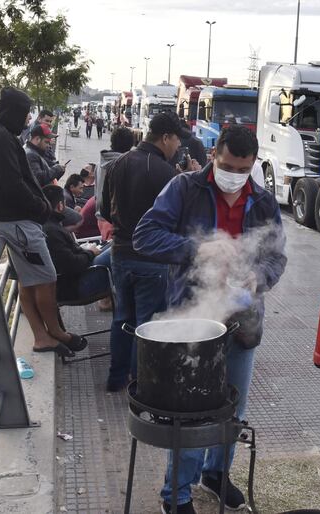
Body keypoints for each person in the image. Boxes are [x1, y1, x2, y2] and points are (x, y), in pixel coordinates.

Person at [133, 125, 286, 514]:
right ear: (214, 155)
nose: (234, 175)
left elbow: (275, 257)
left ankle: (217, 474)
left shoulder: (264, 202)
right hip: (195, 317)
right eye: (228, 165)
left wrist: (259, 278)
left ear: (252, 165)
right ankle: (177, 495)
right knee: (194, 410)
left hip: (243, 318)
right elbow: (145, 236)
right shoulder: (185, 189)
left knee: (233, 407)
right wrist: (198, 248)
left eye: (243, 168)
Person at [0, 87, 86, 358]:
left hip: (14, 221)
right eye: (26, 114)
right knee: (47, 276)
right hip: (17, 223)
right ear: (13, 112)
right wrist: (41, 208)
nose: (28, 120)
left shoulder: (0, 134)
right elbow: (14, 185)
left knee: (28, 281)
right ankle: (54, 332)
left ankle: (41, 335)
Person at [100, 111, 192, 392]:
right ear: (165, 137)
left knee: (121, 318)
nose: (178, 147)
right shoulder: (164, 171)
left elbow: (105, 209)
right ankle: (142, 385)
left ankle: (116, 379)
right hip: (152, 261)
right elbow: (180, 220)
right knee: (148, 325)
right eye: (177, 140)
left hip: (119, 254)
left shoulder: (118, 163)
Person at [41, 185, 110, 301]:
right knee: (120, 250)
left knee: (115, 245)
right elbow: (71, 264)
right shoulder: (52, 231)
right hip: (75, 286)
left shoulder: (48, 225)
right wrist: (90, 253)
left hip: (73, 280)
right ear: (60, 205)